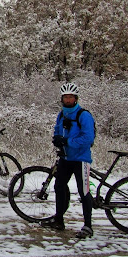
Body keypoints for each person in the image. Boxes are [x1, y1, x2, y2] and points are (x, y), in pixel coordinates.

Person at [41, 82, 96, 239]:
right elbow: (57, 130)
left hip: (81, 159)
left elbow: (88, 137)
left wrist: (67, 142)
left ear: (76, 98)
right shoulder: (61, 114)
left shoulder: (84, 115)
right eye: (65, 97)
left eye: (71, 97)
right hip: (66, 158)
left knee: (84, 191)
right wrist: (57, 139)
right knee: (59, 186)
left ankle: (88, 225)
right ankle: (59, 219)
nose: (68, 100)